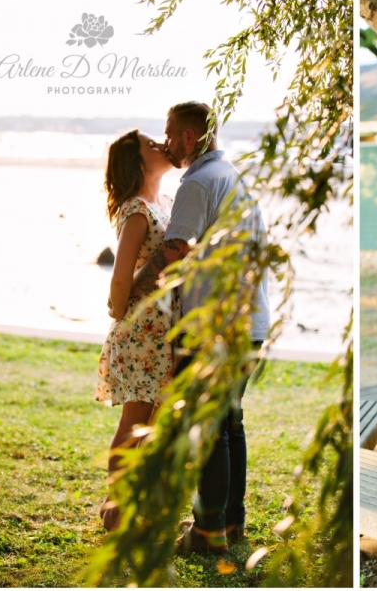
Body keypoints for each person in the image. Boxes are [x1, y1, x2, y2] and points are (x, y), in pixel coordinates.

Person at [122, 101, 271, 555]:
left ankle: (208, 536)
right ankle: (229, 523)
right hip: (250, 323)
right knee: (229, 423)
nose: (166, 143)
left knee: (208, 430)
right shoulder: (230, 177)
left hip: (214, 328)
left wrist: (130, 295)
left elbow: (174, 250)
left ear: (189, 137)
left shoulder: (198, 184)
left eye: (170, 134)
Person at [95, 129, 177, 531]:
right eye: (151, 143)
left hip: (165, 330)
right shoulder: (137, 210)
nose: (161, 145)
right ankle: (115, 504)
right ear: (139, 162)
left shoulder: (165, 202)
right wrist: (117, 313)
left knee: (156, 420)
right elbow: (121, 275)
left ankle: (133, 501)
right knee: (135, 419)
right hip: (142, 332)